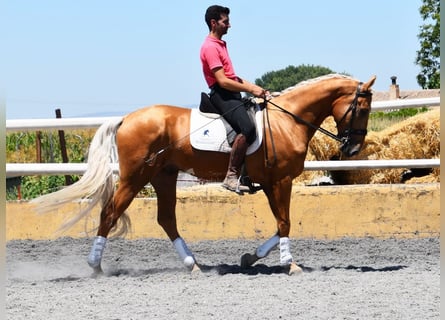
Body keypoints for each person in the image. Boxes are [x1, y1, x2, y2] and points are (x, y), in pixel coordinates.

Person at [200, 5, 268, 193]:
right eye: (225, 22)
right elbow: (223, 81)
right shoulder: (210, 47)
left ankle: (247, 173)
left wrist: (257, 88)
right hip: (222, 94)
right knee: (247, 128)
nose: (229, 25)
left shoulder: (220, 45)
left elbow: (233, 77)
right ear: (214, 23)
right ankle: (231, 176)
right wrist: (250, 89)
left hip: (231, 92)